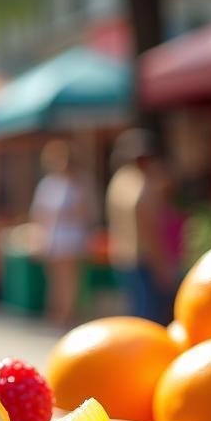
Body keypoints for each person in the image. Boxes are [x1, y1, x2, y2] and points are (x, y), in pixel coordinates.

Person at [106, 129, 180, 325]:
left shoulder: (120, 180)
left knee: (137, 313)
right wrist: (162, 265)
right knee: (148, 320)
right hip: (144, 259)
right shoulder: (142, 185)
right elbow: (147, 223)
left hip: (124, 256)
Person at [29, 139, 95, 326]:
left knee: (70, 280)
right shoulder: (48, 184)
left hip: (72, 239)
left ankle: (68, 315)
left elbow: (86, 212)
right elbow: (39, 214)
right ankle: (57, 314)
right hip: (53, 239)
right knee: (56, 280)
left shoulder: (80, 183)